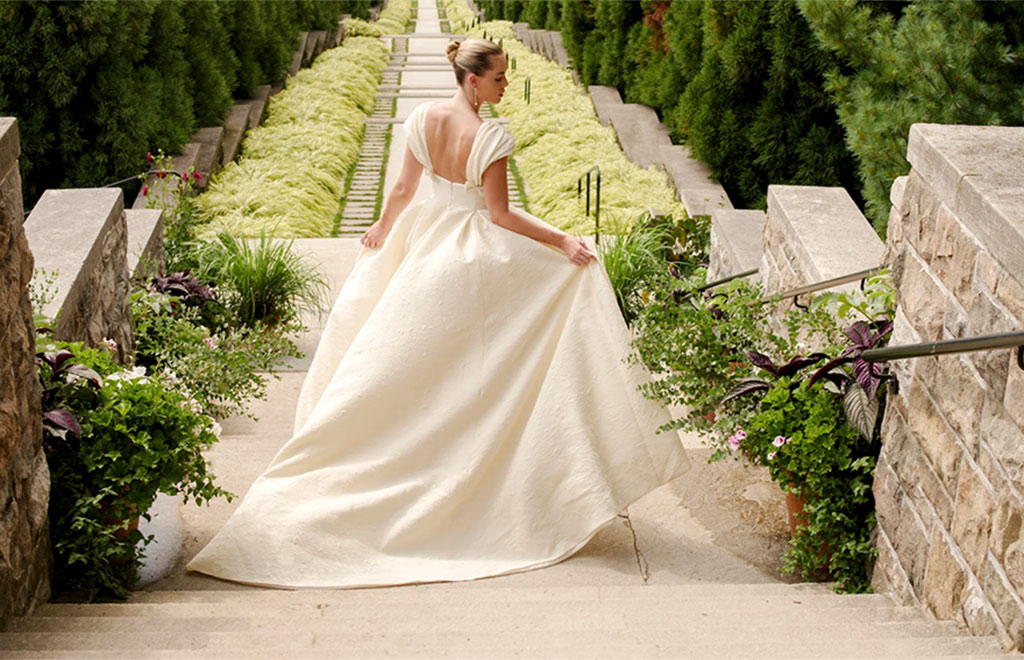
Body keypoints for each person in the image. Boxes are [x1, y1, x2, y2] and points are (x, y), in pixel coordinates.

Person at [185, 37, 690, 590]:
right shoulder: (491, 135)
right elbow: (498, 215)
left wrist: (382, 228)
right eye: (498, 78)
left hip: (425, 243)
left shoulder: (422, 119)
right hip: (471, 258)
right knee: (501, 346)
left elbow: (404, 188)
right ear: (473, 80)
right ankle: (471, 467)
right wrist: (563, 239)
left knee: (416, 365)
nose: (503, 86)